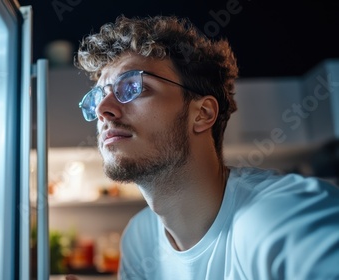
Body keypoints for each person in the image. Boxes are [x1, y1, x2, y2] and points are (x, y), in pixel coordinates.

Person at [71, 15, 339, 279]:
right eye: (98, 97)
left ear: (202, 114)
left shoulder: (283, 216)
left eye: (132, 87)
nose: (103, 110)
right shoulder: (140, 239)